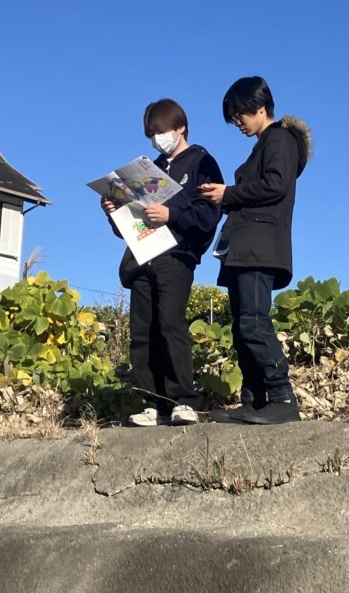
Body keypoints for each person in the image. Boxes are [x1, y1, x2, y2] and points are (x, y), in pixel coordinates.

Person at [101, 98, 223, 426]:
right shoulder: (148, 169)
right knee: (142, 329)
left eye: (161, 131)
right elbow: (129, 226)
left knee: (170, 322)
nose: (157, 139)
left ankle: (184, 399)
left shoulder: (202, 161)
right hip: (143, 255)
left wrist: (172, 214)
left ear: (180, 127)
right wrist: (114, 212)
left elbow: (209, 214)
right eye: (151, 134)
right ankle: (151, 402)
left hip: (177, 255)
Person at [198, 76, 311, 425]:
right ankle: (254, 400)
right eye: (233, 118)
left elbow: (276, 184)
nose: (237, 123)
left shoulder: (280, 139)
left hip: (259, 248)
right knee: (242, 326)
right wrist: (222, 198)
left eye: (240, 115)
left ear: (260, 107)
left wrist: (229, 194)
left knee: (253, 322)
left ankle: (282, 397)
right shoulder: (264, 144)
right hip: (245, 248)